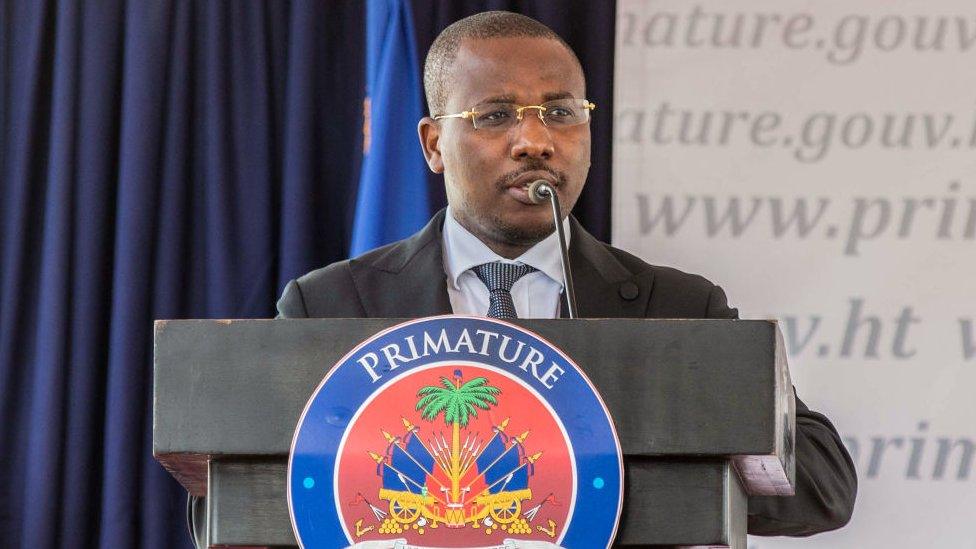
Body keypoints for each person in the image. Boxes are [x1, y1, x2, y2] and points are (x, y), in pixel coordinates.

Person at [190, 10, 855, 547]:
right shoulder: (329, 304)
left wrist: (616, 441)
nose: (534, 140)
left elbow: (825, 483)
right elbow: (224, 503)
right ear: (431, 144)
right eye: (495, 115)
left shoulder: (674, 307)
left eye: (561, 113)